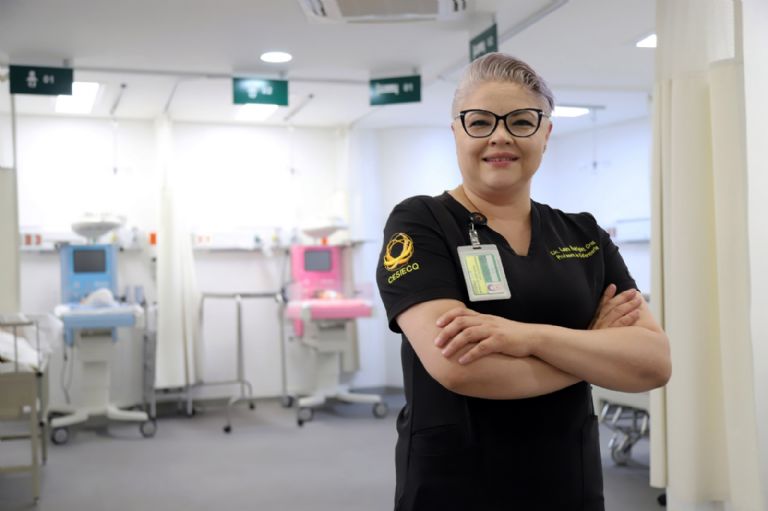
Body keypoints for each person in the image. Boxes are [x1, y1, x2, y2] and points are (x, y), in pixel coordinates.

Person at [375, 52, 671, 511]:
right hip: (456, 485)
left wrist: (526, 337)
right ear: (456, 131)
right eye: (480, 122)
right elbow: (459, 367)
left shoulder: (583, 235)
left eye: (521, 121)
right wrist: (592, 350)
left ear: (545, 133)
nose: (500, 136)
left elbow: (652, 363)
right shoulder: (421, 222)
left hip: (567, 481)